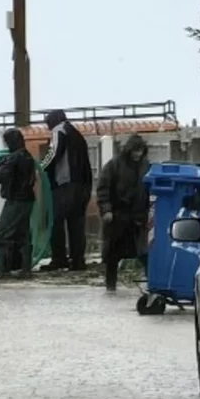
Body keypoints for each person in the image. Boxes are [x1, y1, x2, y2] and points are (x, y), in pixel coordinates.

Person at [39, 110, 93, 271]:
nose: (48, 127)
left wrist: (40, 168)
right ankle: (78, 260)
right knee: (76, 223)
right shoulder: (77, 134)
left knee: (56, 221)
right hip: (83, 186)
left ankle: (59, 258)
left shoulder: (59, 130)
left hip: (65, 185)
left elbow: (53, 153)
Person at [96, 134, 150, 292]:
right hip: (118, 217)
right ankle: (110, 286)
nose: (137, 154)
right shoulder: (114, 166)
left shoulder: (146, 166)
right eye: (135, 151)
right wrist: (106, 210)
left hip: (138, 217)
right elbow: (103, 189)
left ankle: (152, 285)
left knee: (144, 253)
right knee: (112, 256)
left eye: (140, 151)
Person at [0, 127, 37, 277]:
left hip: (16, 200)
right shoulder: (26, 156)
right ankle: (26, 269)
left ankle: (4, 269)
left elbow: (1, 176)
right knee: (23, 234)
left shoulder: (14, 158)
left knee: (3, 234)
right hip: (27, 199)